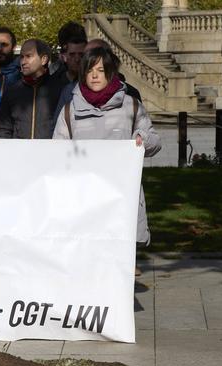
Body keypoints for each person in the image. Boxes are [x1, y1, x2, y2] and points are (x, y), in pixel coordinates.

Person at [53, 45, 160, 245]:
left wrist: (142, 138)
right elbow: (57, 153)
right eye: (89, 70)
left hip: (121, 197)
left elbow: (155, 141)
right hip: (83, 199)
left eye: (101, 70)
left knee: (119, 252)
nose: (94, 76)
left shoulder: (131, 106)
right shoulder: (69, 111)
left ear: (110, 73)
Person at [0, 39, 65, 139]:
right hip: (18, 149)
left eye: (28, 56)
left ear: (44, 59)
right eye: (21, 57)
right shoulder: (12, 91)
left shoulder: (60, 89)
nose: (23, 62)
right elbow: (4, 129)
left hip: (50, 148)